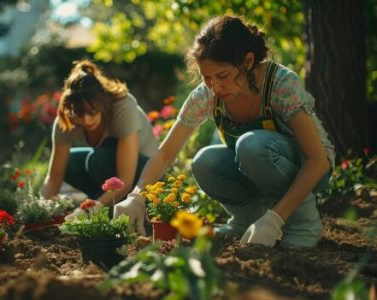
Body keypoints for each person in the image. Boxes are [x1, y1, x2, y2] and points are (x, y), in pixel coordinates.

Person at [114, 15, 335, 248]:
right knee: (204, 161)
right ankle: (245, 220)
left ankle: (303, 223)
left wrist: (274, 219)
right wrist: (136, 197)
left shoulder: (281, 84)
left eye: (222, 76)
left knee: (251, 145)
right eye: (206, 78)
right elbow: (165, 154)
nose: (215, 87)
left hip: (309, 169)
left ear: (248, 61)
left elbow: (317, 161)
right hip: (260, 167)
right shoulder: (206, 96)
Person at [41, 60, 159, 206]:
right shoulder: (67, 119)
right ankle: (105, 202)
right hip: (112, 173)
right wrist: (42, 208)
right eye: (78, 113)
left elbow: (125, 180)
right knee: (68, 162)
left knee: (97, 160)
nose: (85, 120)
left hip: (149, 176)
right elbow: (54, 177)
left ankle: (106, 205)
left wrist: (91, 209)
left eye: (92, 112)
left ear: (102, 104)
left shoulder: (123, 107)